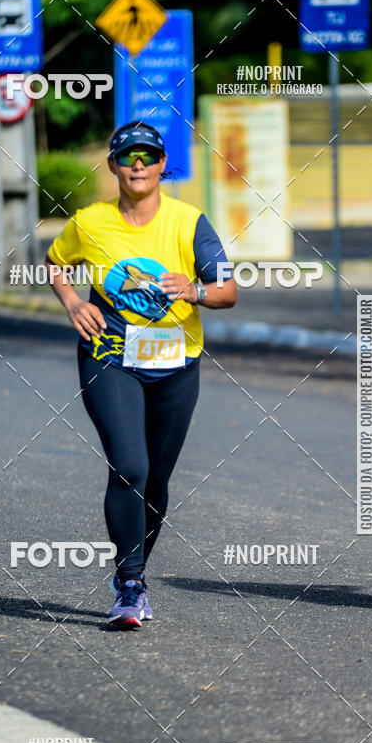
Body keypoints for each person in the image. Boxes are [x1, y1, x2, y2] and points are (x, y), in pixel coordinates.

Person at [46, 122, 237, 628]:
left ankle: (133, 568)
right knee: (129, 466)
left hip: (176, 363)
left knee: (156, 479)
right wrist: (71, 302)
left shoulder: (189, 222)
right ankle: (131, 584)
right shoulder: (89, 222)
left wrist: (194, 291)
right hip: (109, 356)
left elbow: (228, 290)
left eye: (148, 156)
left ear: (161, 166)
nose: (138, 164)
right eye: (127, 156)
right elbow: (56, 261)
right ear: (113, 166)